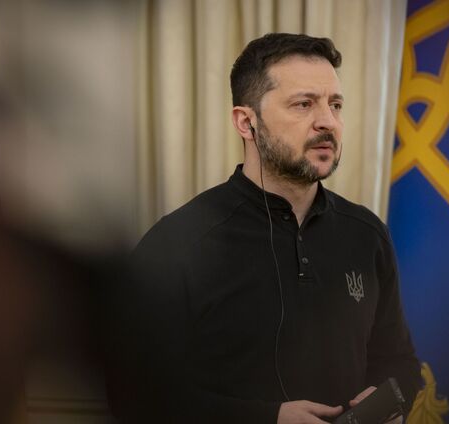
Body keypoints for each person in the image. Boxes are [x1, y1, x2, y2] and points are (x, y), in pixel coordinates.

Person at [109, 33, 421, 423]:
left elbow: (400, 361)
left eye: (335, 105)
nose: (328, 121)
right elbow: (133, 394)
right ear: (246, 122)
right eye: (304, 104)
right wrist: (266, 418)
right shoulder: (178, 243)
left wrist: (388, 400)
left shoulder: (367, 234)